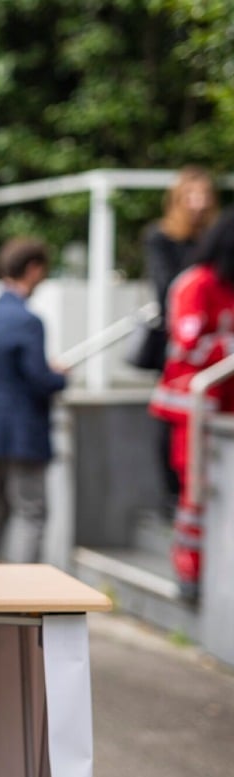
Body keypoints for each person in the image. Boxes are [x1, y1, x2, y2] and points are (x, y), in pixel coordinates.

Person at [149, 208, 234, 603]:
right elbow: (188, 346)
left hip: (219, 410)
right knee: (193, 497)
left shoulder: (226, 285)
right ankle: (188, 570)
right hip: (191, 412)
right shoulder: (195, 284)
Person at [0, 238, 67, 563]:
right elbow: (40, 379)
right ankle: (29, 594)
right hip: (24, 434)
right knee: (32, 513)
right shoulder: (28, 320)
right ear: (33, 269)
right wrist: (61, 376)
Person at [141, 167, 218, 509]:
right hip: (175, 348)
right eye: (191, 195)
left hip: (209, 347)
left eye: (203, 195)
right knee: (171, 419)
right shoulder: (161, 236)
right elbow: (166, 288)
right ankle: (171, 493)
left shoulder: (214, 237)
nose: (198, 203)